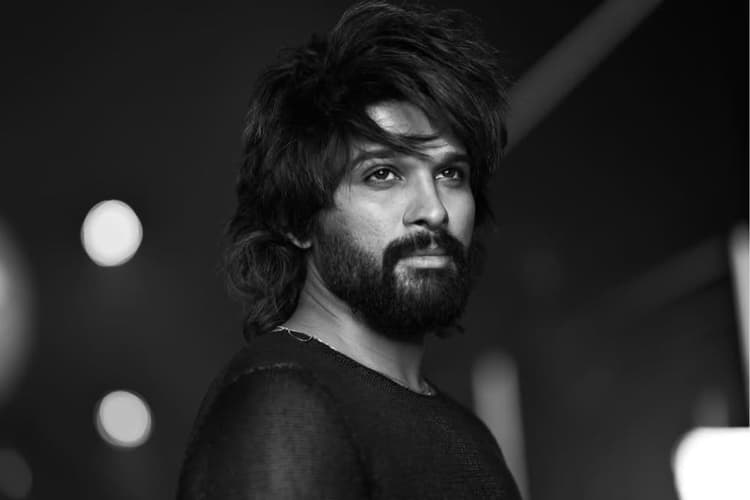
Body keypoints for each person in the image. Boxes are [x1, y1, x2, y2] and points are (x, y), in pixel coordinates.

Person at [177, 1, 521, 498]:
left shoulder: (468, 433)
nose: (434, 210)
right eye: (383, 174)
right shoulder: (282, 403)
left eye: (450, 173)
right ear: (298, 219)